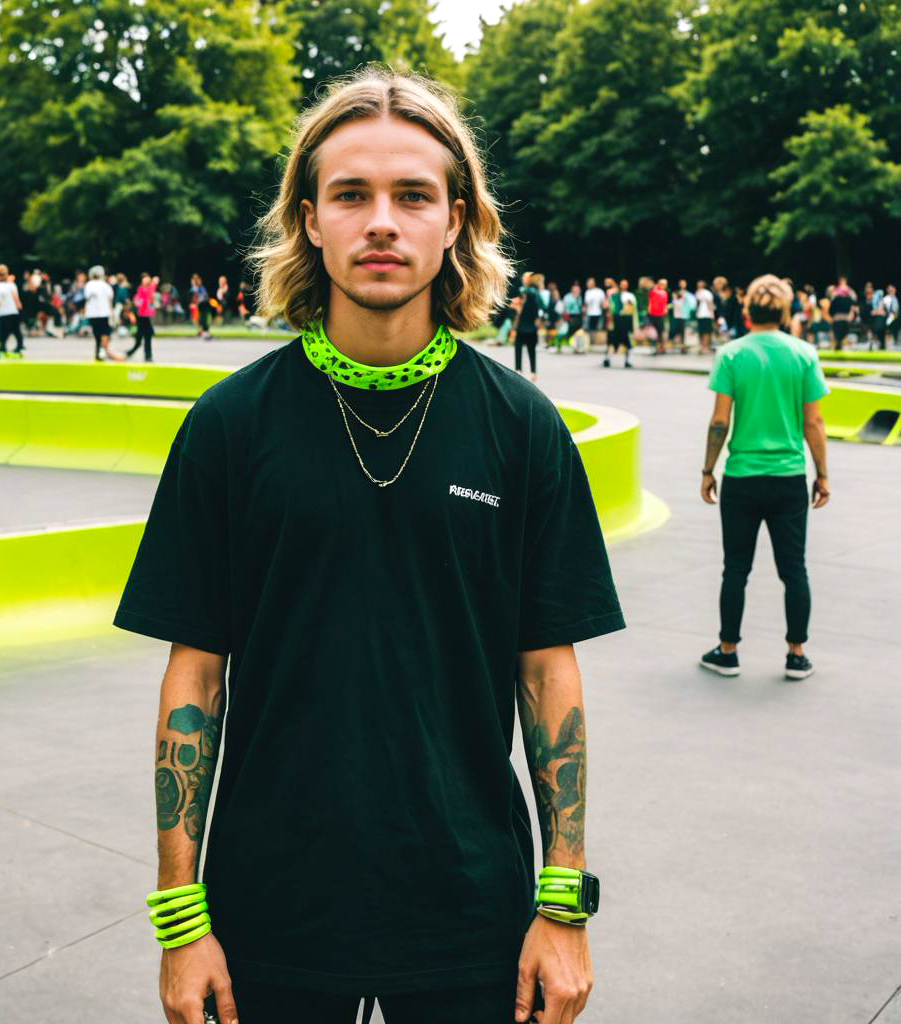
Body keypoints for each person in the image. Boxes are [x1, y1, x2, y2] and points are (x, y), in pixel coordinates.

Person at [112, 65, 624, 1024]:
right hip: (273, 912)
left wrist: (564, 905)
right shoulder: (229, 428)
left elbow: (547, 675)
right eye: (351, 194)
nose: (381, 221)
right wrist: (182, 923)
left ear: (457, 219)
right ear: (310, 219)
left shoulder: (523, 429)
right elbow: (196, 678)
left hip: (473, 912)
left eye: (412, 195)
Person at [699, 274, 830, 682]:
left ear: (746, 310)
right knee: (794, 569)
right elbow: (814, 422)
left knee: (735, 568)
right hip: (789, 476)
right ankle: (796, 654)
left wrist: (708, 469)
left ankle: (727, 651)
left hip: (741, 477)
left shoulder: (732, 354)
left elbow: (721, 420)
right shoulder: (803, 353)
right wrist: (822, 474)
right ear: (786, 311)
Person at [85, 264, 123, 361]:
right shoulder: (106, 286)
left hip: (92, 314)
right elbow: (110, 300)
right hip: (104, 313)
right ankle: (102, 351)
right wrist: (112, 314)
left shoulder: (89, 285)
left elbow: (87, 298)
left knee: (97, 334)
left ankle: (99, 352)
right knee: (105, 333)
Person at [511, 270, 542, 381]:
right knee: (531, 351)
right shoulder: (535, 295)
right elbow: (538, 313)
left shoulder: (522, 293)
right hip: (531, 328)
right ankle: (533, 372)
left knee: (518, 349)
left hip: (521, 327)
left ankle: (518, 370)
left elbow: (516, 312)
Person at [0, 264, 24, 357]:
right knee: (6, 332)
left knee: (13, 331)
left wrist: (18, 305)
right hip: (5, 312)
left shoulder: (9, 285)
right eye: (0, 274)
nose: (1, 276)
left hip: (11, 312)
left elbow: (15, 298)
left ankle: (18, 347)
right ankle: (4, 347)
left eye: (2, 274)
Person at [603, 278, 635, 368]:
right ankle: (608, 359)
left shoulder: (626, 297)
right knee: (613, 344)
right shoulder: (615, 296)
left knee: (619, 344)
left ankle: (625, 361)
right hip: (617, 323)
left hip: (622, 324)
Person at [128, 273, 159, 361]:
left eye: (148, 278)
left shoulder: (148, 288)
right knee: (145, 334)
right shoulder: (141, 289)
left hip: (146, 315)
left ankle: (145, 354)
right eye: (145, 278)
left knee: (146, 335)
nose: (147, 280)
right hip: (142, 315)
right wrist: (154, 283)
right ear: (142, 280)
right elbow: (147, 295)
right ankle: (145, 355)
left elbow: (151, 295)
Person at [828, 277, 856, 351]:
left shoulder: (849, 295)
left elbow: (854, 300)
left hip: (845, 319)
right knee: (837, 338)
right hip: (837, 319)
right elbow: (831, 304)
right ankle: (837, 347)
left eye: (844, 283)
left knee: (844, 336)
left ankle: (841, 348)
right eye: (841, 283)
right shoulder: (835, 295)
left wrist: (852, 313)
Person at [646, 277, 669, 354]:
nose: (663, 285)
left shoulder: (665, 293)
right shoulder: (653, 291)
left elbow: (665, 303)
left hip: (661, 315)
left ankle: (661, 347)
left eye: (665, 284)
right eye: (662, 284)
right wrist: (649, 309)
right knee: (653, 333)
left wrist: (665, 309)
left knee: (661, 332)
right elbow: (649, 301)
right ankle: (654, 348)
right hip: (652, 314)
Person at [582, 276, 605, 349]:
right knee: (587, 329)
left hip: (598, 312)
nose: (587, 284)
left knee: (598, 329)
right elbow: (586, 303)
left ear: (593, 283)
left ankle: (597, 344)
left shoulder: (600, 291)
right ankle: (588, 344)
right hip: (589, 313)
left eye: (588, 283)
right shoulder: (587, 292)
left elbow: (603, 302)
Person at [695, 279, 715, 354]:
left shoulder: (705, 293)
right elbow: (698, 304)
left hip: (704, 315)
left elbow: (708, 303)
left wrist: (711, 313)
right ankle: (703, 347)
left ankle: (704, 347)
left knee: (705, 332)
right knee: (704, 332)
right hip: (703, 315)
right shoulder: (700, 292)